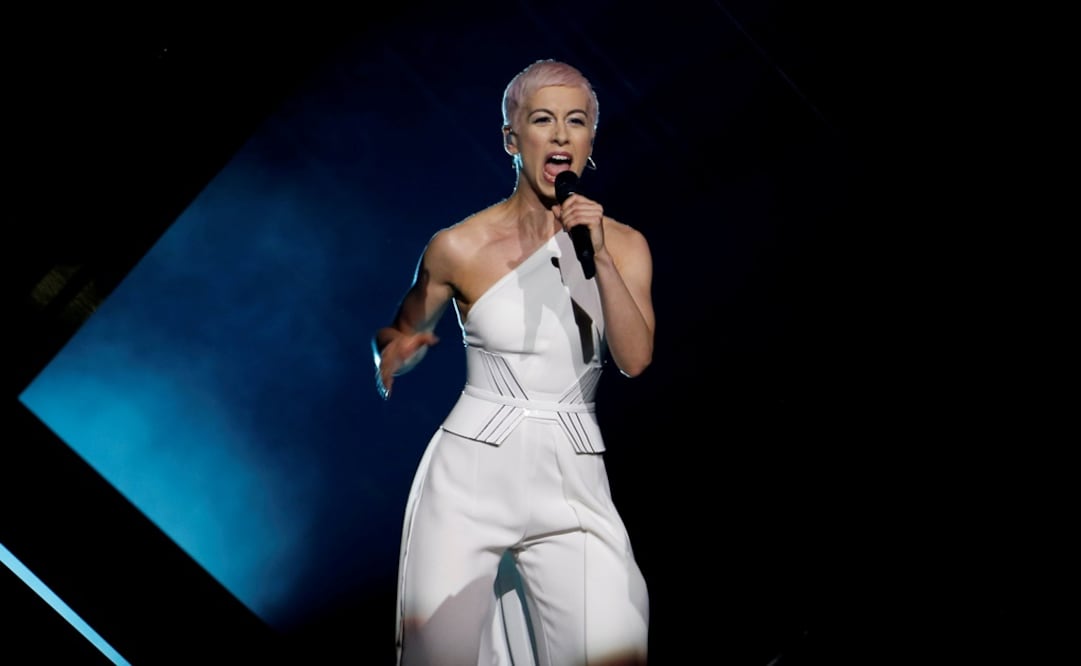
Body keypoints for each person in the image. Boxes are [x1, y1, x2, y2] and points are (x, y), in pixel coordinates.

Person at [373, 58, 654, 666]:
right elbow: (401, 328)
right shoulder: (458, 246)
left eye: (576, 121)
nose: (560, 134)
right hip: (471, 475)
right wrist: (394, 352)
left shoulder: (625, 245)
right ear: (512, 139)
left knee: (614, 647)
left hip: (574, 477)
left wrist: (600, 258)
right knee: (439, 654)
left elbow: (634, 359)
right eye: (543, 120)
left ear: (590, 139)